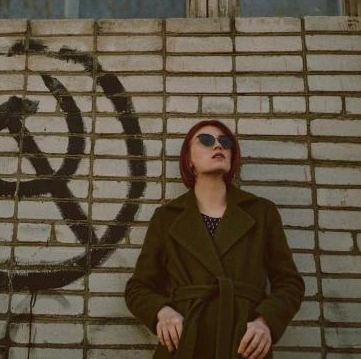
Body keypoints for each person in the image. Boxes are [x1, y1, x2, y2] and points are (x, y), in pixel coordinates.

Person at [125, 119, 304, 359]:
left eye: (225, 141)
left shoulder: (262, 212)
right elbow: (138, 287)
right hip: (186, 342)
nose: (218, 145)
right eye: (206, 140)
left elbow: (290, 283)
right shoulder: (166, 218)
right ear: (188, 160)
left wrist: (265, 322)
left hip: (244, 344)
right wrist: (163, 312)